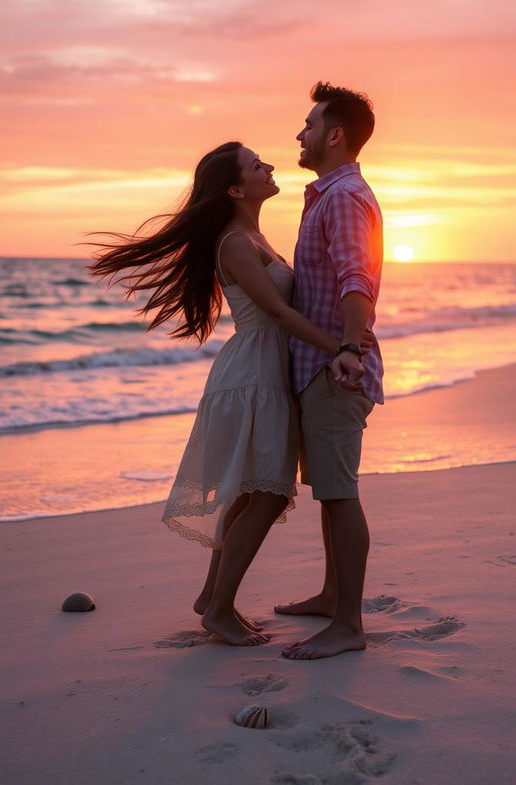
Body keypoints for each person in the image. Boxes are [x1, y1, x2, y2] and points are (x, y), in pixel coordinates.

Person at [90, 142, 369, 647]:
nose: (269, 165)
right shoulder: (236, 241)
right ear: (236, 188)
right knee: (265, 494)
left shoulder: (253, 235)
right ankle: (218, 610)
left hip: (264, 369)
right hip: (255, 374)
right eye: (256, 164)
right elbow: (280, 314)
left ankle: (211, 599)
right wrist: (343, 346)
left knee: (252, 492)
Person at [276, 81, 384, 661]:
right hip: (319, 365)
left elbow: (356, 278)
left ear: (334, 134)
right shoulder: (328, 195)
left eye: (310, 124)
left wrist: (349, 350)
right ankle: (330, 595)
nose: (301, 133)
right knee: (329, 493)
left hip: (336, 367)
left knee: (340, 495)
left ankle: (349, 623)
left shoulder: (343, 197)